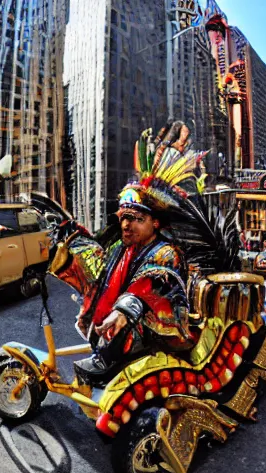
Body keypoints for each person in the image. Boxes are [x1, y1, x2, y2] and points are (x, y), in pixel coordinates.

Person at [49, 122, 202, 384]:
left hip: (154, 333)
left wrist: (127, 308)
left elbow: (153, 282)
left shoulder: (167, 252)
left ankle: (112, 358)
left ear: (155, 223)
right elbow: (98, 264)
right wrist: (72, 237)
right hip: (114, 324)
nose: (125, 224)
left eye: (134, 218)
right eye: (123, 217)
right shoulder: (123, 247)